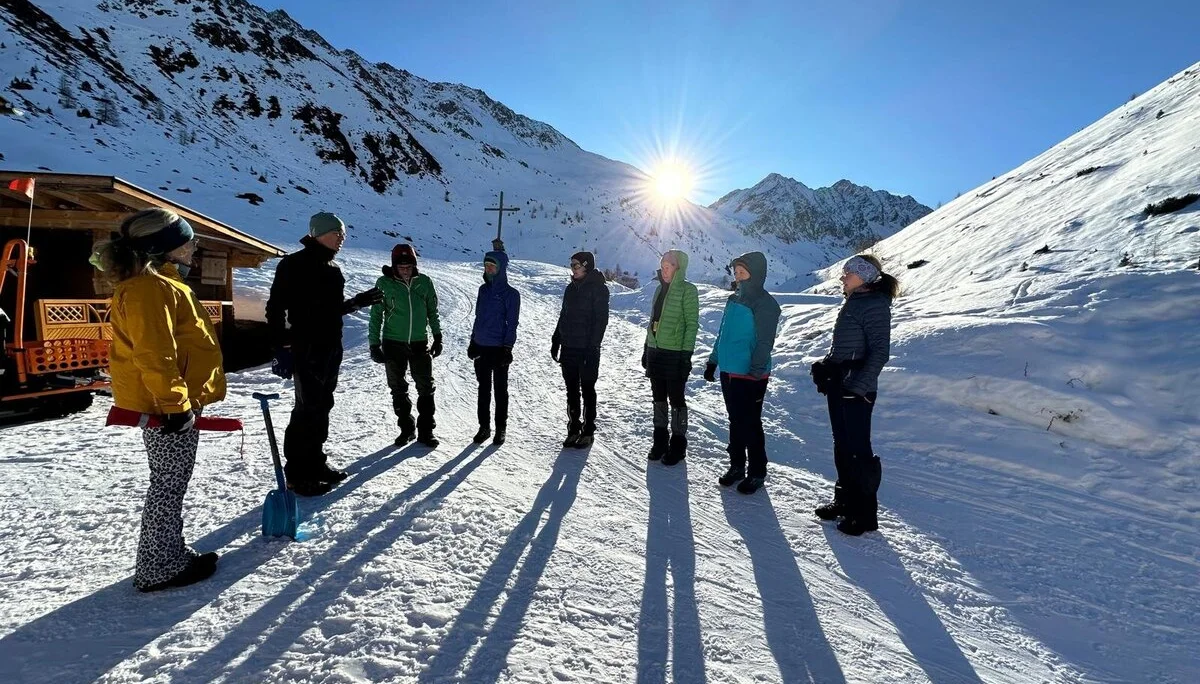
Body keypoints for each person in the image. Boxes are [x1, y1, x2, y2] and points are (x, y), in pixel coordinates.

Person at [91, 208, 224, 591]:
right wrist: (175, 405)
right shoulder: (149, 290)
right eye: (187, 240)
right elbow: (154, 353)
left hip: (168, 402)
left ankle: (169, 554)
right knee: (168, 483)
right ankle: (158, 568)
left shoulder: (160, 284)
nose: (194, 246)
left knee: (170, 481)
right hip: (165, 407)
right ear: (164, 248)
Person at [265, 212, 382, 496]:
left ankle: (315, 463)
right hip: (306, 346)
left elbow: (330, 310)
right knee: (306, 409)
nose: (341, 239)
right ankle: (296, 474)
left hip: (331, 346)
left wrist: (356, 302)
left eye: (343, 234)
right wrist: (279, 347)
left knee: (322, 405)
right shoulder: (293, 264)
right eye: (336, 233)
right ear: (319, 233)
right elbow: (276, 307)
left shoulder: (333, 269)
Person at [810, 254, 896, 535]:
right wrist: (828, 365)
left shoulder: (874, 305)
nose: (843, 276)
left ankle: (864, 515)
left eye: (848, 272)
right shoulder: (855, 302)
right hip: (842, 385)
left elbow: (879, 352)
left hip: (857, 390)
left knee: (859, 451)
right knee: (842, 446)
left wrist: (858, 388)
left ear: (865, 276)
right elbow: (848, 348)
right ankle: (845, 501)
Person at [704, 252, 781, 494]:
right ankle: (736, 465)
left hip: (750, 373)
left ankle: (757, 471)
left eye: (742, 272)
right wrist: (713, 360)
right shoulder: (733, 300)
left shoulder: (765, 304)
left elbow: (765, 342)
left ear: (755, 274)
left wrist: (756, 371)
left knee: (750, 422)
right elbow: (722, 334)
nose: (737, 276)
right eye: (735, 272)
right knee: (735, 420)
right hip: (729, 370)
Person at [369, 243, 443, 448]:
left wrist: (437, 336)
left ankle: (426, 431)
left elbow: (432, 312)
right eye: (400, 265)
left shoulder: (424, 283)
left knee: (426, 387)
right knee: (398, 388)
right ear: (394, 265)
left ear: (414, 264)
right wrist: (374, 344)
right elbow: (376, 316)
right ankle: (407, 429)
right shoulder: (384, 283)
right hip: (393, 343)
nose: (404, 268)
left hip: (419, 342)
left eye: (408, 265)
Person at [642, 250, 699, 465]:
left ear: (679, 268)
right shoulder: (659, 290)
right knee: (658, 398)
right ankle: (659, 442)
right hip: (656, 351)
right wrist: (647, 348)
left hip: (675, 354)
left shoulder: (688, 291)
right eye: (663, 265)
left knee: (676, 399)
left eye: (669, 266)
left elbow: (692, 325)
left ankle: (678, 445)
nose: (664, 269)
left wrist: (686, 355)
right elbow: (653, 321)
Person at [551, 251, 609, 448]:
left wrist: (592, 347)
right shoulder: (570, 289)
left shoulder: (599, 289)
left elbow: (601, 321)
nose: (573, 269)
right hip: (569, 347)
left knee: (587, 389)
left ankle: (588, 430)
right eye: (572, 265)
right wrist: (556, 338)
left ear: (586, 266)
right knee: (571, 390)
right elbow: (564, 315)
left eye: (576, 265)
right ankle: (573, 428)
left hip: (587, 349)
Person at [468, 250, 520, 445]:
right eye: (486, 266)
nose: (489, 269)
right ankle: (484, 427)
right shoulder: (483, 290)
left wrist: (507, 348)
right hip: (481, 347)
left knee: (500, 390)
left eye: (493, 266)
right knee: (483, 389)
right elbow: (478, 317)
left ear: (501, 269)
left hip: (498, 349)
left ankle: (501, 428)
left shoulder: (511, 295)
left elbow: (512, 323)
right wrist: (473, 341)